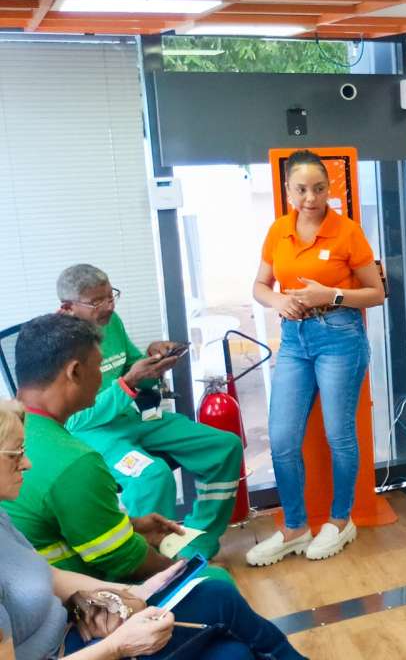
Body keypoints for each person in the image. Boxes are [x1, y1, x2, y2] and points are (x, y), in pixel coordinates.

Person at [0, 399, 306, 660]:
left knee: (231, 652)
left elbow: (50, 575)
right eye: (16, 453)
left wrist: (134, 591)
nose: (27, 463)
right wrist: (116, 647)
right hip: (74, 651)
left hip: (73, 635)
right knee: (220, 601)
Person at [1, 314, 230, 588]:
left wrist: (129, 526)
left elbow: (67, 523)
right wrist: (185, 572)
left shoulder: (13, 428)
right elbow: (125, 560)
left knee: (223, 446)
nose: (103, 377)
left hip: (41, 586)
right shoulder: (75, 463)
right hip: (79, 595)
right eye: (99, 367)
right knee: (218, 584)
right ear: (75, 372)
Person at [246, 149, 385, 567]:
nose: (311, 198)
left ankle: (341, 520)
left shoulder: (347, 232)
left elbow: (376, 293)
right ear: (289, 190)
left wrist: (332, 294)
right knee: (282, 438)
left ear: (329, 189)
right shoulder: (278, 231)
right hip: (294, 339)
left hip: (339, 336)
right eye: (302, 189)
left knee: (338, 435)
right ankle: (294, 527)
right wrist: (277, 300)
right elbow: (259, 285)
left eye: (319, 189)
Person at [55, 264, 243, 561]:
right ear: (67, 307)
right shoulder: (57, 344)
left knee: (225, 446)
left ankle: (198, 539)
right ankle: (154, 561)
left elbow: (132, 368)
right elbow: (73, 418)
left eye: (111, 296)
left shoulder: (111, 322)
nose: (109, 306)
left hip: (129, 419)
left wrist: (154, 361)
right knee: (152, 475)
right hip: (88, 433)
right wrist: (128, 383)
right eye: (97, 302)